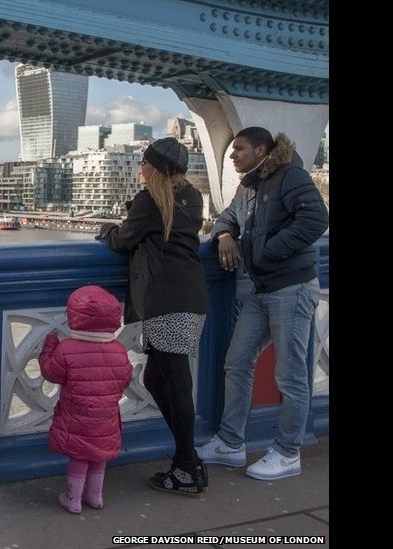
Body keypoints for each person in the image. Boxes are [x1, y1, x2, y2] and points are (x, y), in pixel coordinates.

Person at [197, 127, 328, 481]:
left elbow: (316, 218)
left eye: (238, 149)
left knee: (290, 375)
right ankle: (230, 444)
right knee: (237, 362)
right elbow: (226, 218)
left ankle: (288, 452)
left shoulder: (290, 176)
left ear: (261, 149)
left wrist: (268, 251)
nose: (233, 156)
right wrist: (225, 235)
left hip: (292, 289)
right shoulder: (248, 187)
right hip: (261, 290)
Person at [96, 137, 210, 496]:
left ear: (153, 167)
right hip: (190, 296)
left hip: (165, 301)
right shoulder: (192, 197)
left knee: (175, 385)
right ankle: (188, 457)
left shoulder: (150, 200)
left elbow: (123, 240)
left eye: (143, 161)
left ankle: (186, 468)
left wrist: (107, 230)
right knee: (157, 383)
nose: (139, 167)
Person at [39, 285, 133, 514]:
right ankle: (95, 496)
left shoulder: (67, 349)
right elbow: (126, 378)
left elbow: (51, 373)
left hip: (77, 417)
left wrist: (49, 346)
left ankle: (73, 498)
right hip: (106, 417)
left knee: (80, 458)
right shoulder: (119, 350)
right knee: (99, 457)